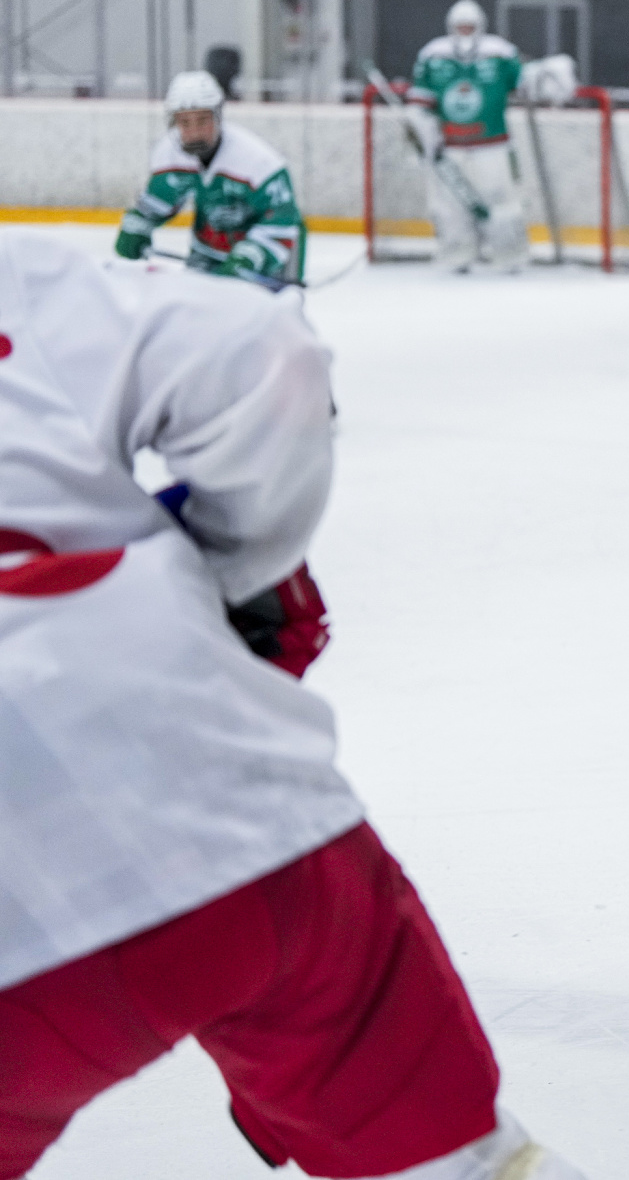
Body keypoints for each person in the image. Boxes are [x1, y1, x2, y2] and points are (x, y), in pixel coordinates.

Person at [0, 233, 586, 1180]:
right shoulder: (20, 276)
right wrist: (224, 587)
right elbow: (263, 353)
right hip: (227, 803)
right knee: (465, 1165)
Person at [114, 70, 305, 288]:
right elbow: (157, 203)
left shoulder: (258, 162)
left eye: (202, 120)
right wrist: (137, 227)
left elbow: (282, 221)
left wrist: (249, 258)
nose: (194, 132)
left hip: (269, 262)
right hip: (207, 254)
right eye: (185, 122)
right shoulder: (169, 153)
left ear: (218, 116)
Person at [407, 0, 529, 274]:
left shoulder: (500, 52)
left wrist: (543, 76)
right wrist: (425, 135)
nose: (465, 31)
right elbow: (421, 104)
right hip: (450, 147)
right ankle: (457, 256)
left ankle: (510, 255)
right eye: (460, 26)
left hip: (493, 145)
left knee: (503, 201)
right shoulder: (433, 54)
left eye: (470, 26)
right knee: (450, 206)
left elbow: (525, 84)